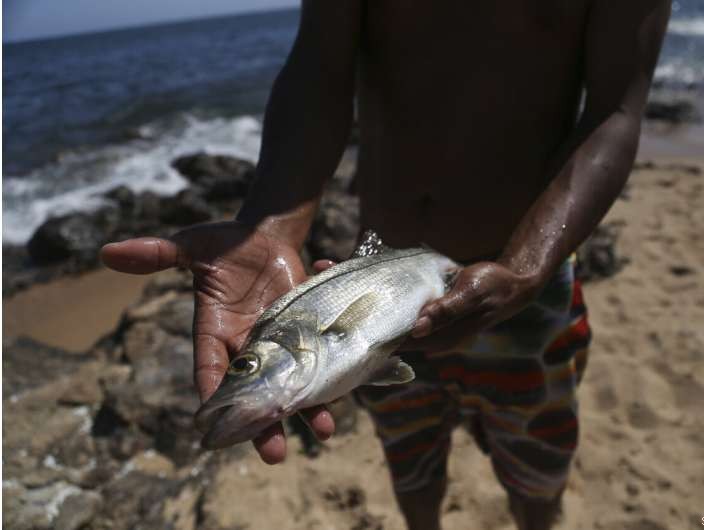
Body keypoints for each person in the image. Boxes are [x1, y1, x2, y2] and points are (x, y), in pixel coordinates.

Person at [101, 2, 670, 529]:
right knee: (411, 466)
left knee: (536, 476)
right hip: (380, 281)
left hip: (525, 291)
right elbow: (320, 68)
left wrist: (526, 268)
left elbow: (616, 110)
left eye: (250, 366)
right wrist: (270, 225)